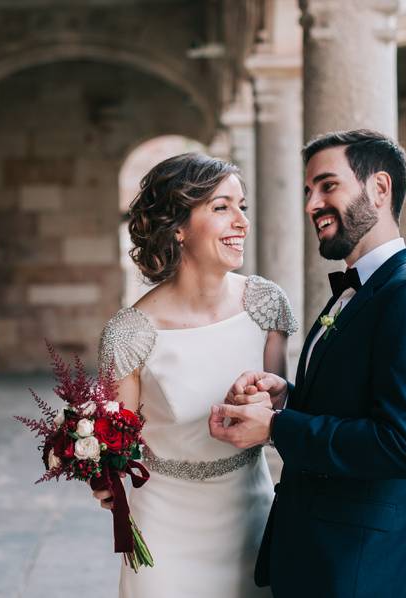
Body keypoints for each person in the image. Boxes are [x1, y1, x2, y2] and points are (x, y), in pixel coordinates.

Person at [209, 130, 406, 597]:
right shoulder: (353, 292)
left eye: (327, 186)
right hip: (313, 560)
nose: (311, 204)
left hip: (362, 573)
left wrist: (277, 428)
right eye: (308, 191)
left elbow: (401, 446)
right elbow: (356, 406)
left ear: (379, 189)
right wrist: (288, 398)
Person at [95, 153, 297, 598]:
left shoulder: (266, 305)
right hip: (163, 529)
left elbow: (282, 417)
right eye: (222, 207)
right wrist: (102, 478)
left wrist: (265, 405)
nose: (241, 220)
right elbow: (114, 445)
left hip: (251, 518)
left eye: (242, 206)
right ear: (178, 227)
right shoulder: (130, 334)